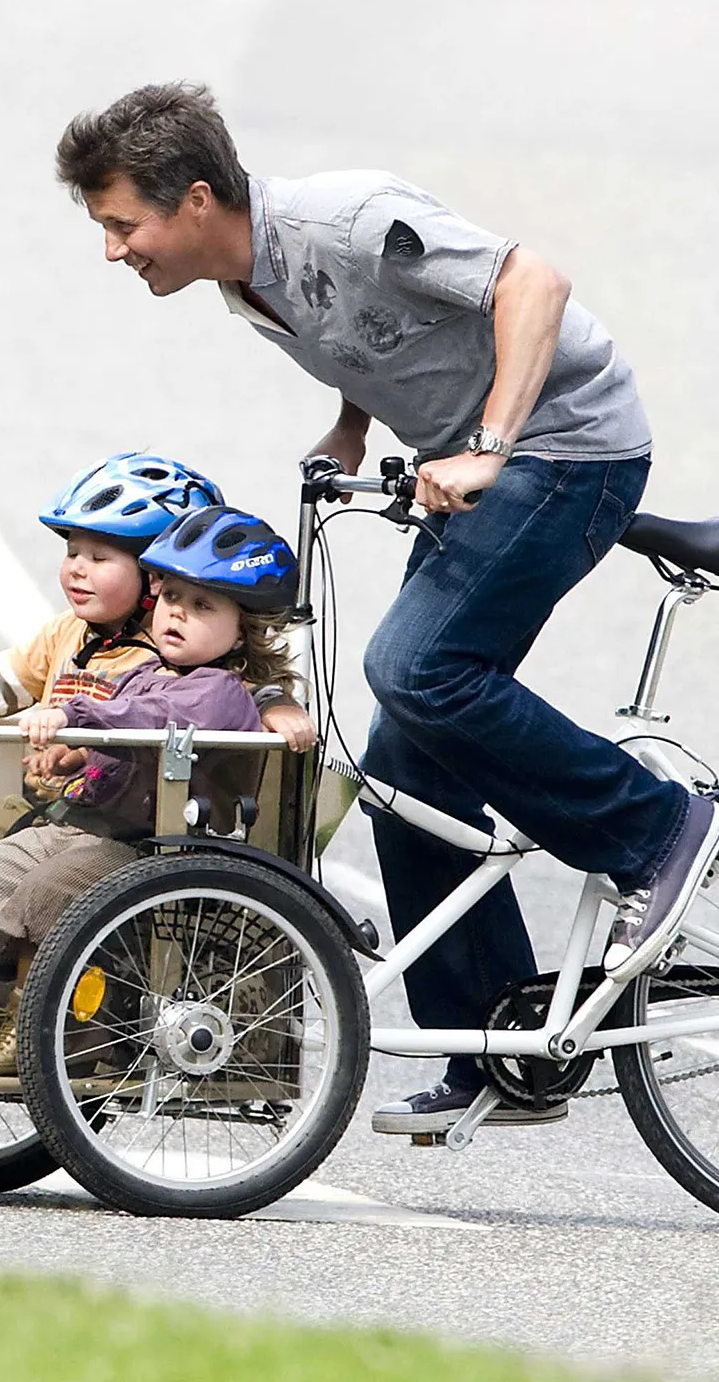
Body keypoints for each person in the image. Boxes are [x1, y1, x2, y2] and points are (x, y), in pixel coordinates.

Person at [53, 81, 716, 1135]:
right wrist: (352, 427)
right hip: (488, 455)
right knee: (402, 757)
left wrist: (491, 445)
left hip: (571, 446)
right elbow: (378, 338)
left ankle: (653, 829)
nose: (114, 251)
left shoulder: (347, 221)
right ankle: (493, 1044)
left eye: (122, 225)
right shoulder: (246, 282)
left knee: (418, 669)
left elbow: (531, 283)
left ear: (192, 198)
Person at [0, 454, 313, 1004]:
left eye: (100, 556)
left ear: (151, 574)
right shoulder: (73, 633)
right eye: (72, 553)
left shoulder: (179, 654)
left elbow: (235, 686)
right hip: (47, 809)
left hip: (102, 826)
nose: (77, 569)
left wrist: (276, 700)